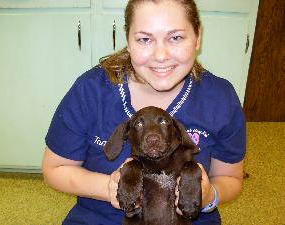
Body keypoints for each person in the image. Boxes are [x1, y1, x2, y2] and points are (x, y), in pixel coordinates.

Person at [42, 0, 246, 224]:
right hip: (101, 217)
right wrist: (108, 188)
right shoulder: (91, 90)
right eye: (144, 39)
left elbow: (230, 178)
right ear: (128, 40)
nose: (160, 55)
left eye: (175, 37)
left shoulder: (219, 97)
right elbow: (55, 169)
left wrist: (209, 196)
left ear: (198, 36)